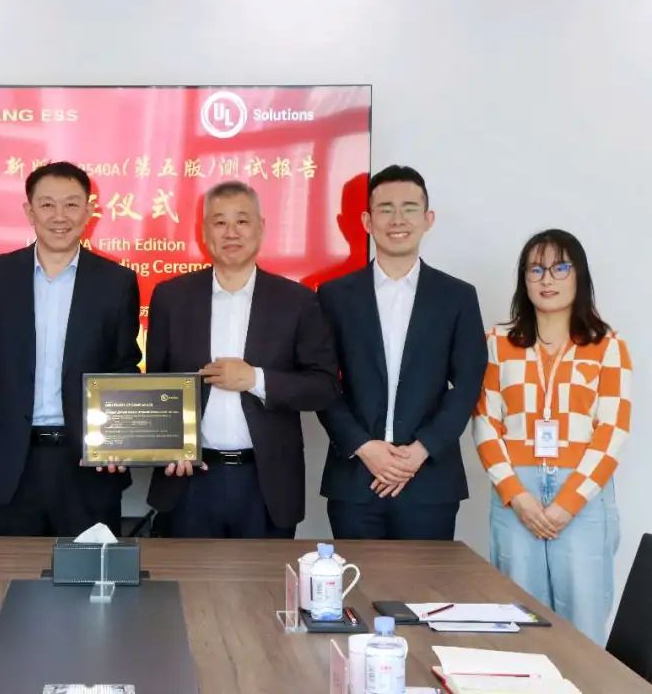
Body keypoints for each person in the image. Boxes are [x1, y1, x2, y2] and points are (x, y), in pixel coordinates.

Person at [146, 181, 338, 537]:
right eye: (219, 222)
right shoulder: (171, 298)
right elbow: (156, 384)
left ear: (261, 228)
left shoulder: (296, 301)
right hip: (188, 482)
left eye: (242, 221)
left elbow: (324, 387)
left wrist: (256, 380)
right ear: (204, 232)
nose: (231, 232)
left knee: (264, 576)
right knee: (186, 576)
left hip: (266, 484)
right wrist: (167, 446)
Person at [0, 161, 140, 536]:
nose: (60, 216)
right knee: (13, 570)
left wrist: (119, 441)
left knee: (91, 571)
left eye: (72, 204)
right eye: (47, 205)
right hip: (12, 464)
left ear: (89, 212)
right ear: (29, 211)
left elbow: (124, 369)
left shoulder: (117, 282)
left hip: (88, 465)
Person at [473, 229, 630, 644]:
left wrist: (567, 503)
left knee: (583, 623)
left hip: (582, 495)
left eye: (560, 268)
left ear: (579, 275)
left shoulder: (608, 345)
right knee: (517, 619)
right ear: (524, 280)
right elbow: (486, 422)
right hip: (516, 494)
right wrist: (517, 496)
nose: (547, 279)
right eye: (536, 269)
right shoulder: (498, 342)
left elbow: (612, 430)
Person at [317, 165, 487, 540]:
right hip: (356, 477)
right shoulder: (335, 296)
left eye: (409, 209)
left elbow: (468, 382)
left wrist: (421, 450)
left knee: (425, 581)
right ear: (367, 221)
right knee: (356, 579)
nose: (398, 219)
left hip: (430, 480)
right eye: (386, 208)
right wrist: (364, 447)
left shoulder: (457, 296)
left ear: (428, 219)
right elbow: (322, 383)